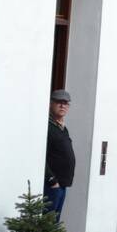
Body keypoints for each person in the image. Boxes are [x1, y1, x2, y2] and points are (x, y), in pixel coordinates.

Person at [45, 89, 75, 219]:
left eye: (65, 103)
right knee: (48, 221)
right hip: (52, 184)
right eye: (59, 102)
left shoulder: (62, 128)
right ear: (51, 103)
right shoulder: (48, 126)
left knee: (55, 222)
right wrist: (51, 180)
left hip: (62, 184)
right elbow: (42, 156)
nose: (62, 106)